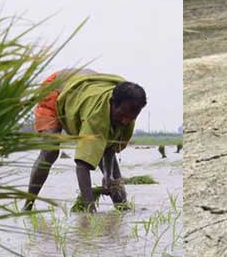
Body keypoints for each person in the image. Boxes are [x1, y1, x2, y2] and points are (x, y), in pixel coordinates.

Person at [25, 69, 147, 212]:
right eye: (122, 115)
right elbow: (82, 165)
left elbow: (109, 147)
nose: (125, 121)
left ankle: (123, 210)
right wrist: (90, 212)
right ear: (112, 103)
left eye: (131, 117)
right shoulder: (96, 115)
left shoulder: (127, 112)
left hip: (86, 85)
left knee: (113, 175)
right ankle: (27, 206)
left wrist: (108, 176)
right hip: (57, 87)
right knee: (50, 152)